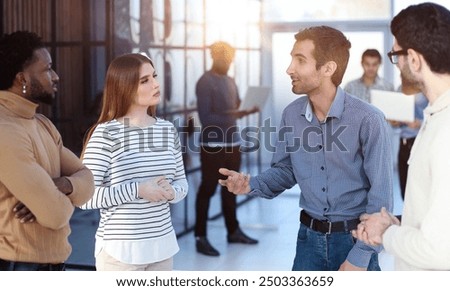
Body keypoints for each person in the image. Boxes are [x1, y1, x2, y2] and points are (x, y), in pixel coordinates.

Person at [218, 26, 393, 271]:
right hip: (308, 242)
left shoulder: (369, 119)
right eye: (292, 59)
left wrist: (361, 256)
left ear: (328, 68)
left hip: (354, 240)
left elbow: (381, 199)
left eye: (300, 60)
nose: (289, 69)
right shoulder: (291, 114)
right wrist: (251, 184)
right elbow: (287, 169)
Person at [353, 2, 450, 271]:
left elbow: (440, 250)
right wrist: (398, 225)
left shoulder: (446, 132)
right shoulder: (436, 118)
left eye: (396, 56)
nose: (395, 65)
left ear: (415, 60)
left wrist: (386, 233)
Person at [80, 53, 188, 271]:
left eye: (154, 76)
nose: (156, 84)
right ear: (124, 87)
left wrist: (172, 192)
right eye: (145, 80)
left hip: (162, 249)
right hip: (120, 254)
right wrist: (137, 190)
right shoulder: (106, 133)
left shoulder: (167, 130)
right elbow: (84, 197)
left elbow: (182, 184)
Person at [0, 31, 95, 271]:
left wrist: (63, 185)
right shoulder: (5, 130)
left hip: (51, 265)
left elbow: (88, 179)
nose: (56, 77)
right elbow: (55, 215)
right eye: (47, 69)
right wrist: (63, 195)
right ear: (22, 79)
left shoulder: (42, 124)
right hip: (19, 268)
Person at [194, 41, 258, 256]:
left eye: (231, 59)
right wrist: (236, 114)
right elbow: (206, 118)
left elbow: (234, 106)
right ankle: (200, 237)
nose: (229, 63)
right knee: (207, 190)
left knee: (231, 188)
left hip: (232, 144)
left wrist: (248, 108)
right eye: (225, 59)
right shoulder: (204, 82)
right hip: (213, 146)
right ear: (215, 57)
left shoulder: (230, 80)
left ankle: (233, 231)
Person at [391, 85, 428, 200]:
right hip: (403, 142)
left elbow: (436, 116)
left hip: (418, 141)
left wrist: (420, 123)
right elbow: (397, 122)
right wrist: (395, 122)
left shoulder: (425, 85)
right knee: (404, 190)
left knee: (418, 190)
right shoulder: (399, 88)